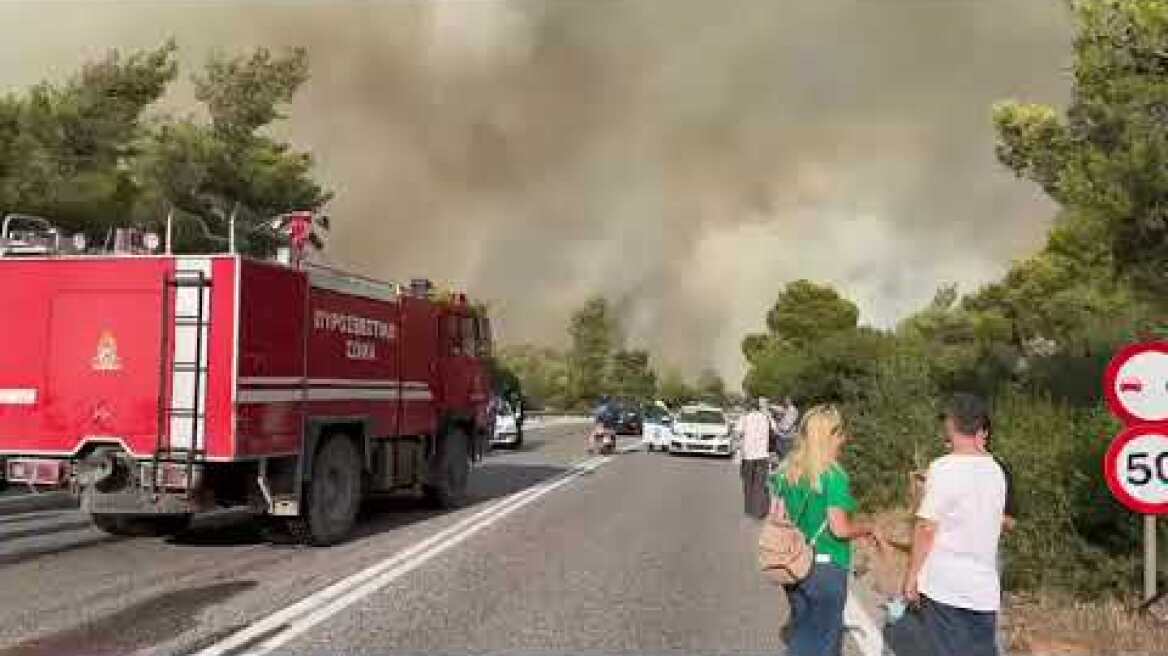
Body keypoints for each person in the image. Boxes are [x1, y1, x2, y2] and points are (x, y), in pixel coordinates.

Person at [768, 405, 881, 656]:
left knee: (804, 630)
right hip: (826, 568)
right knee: (823, 643)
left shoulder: (786, 472)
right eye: (840, 433)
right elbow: (839, 529)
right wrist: (866, 528)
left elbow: (777, 518)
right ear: (829, 436)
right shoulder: (834, 477)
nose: (844, 439)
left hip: (793, 562)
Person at [903, 393, 1005, 656]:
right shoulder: (997, 471)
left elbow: (927, 528)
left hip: (945, 586)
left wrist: (912, 576)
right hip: (983, 588)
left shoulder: (943, 468)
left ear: (952, 424)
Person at [739, 397, 777, 519]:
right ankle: (759, 510)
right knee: (760, 484)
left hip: (748, 456)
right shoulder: (767, 417)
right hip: (762, 455)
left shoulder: (745, 417)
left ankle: (749, 508)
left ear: (750, 406)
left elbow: (738, 432)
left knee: (748, 483)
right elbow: (775, 430)